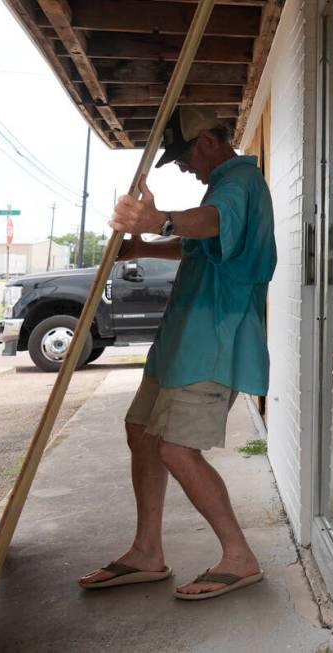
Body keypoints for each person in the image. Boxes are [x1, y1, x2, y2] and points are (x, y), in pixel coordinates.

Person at [78, 107, 277, 600]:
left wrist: (159, 216)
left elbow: (210, 222)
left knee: (176, 447)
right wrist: (142, 246)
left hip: (214, 342)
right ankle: (147, 551)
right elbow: (198, 243)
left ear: (209, 141)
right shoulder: (221, 187)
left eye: (185, 155)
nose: (184, 167)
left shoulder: (239, 184)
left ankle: (239, 556)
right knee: (142, 431)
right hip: (182, 342)